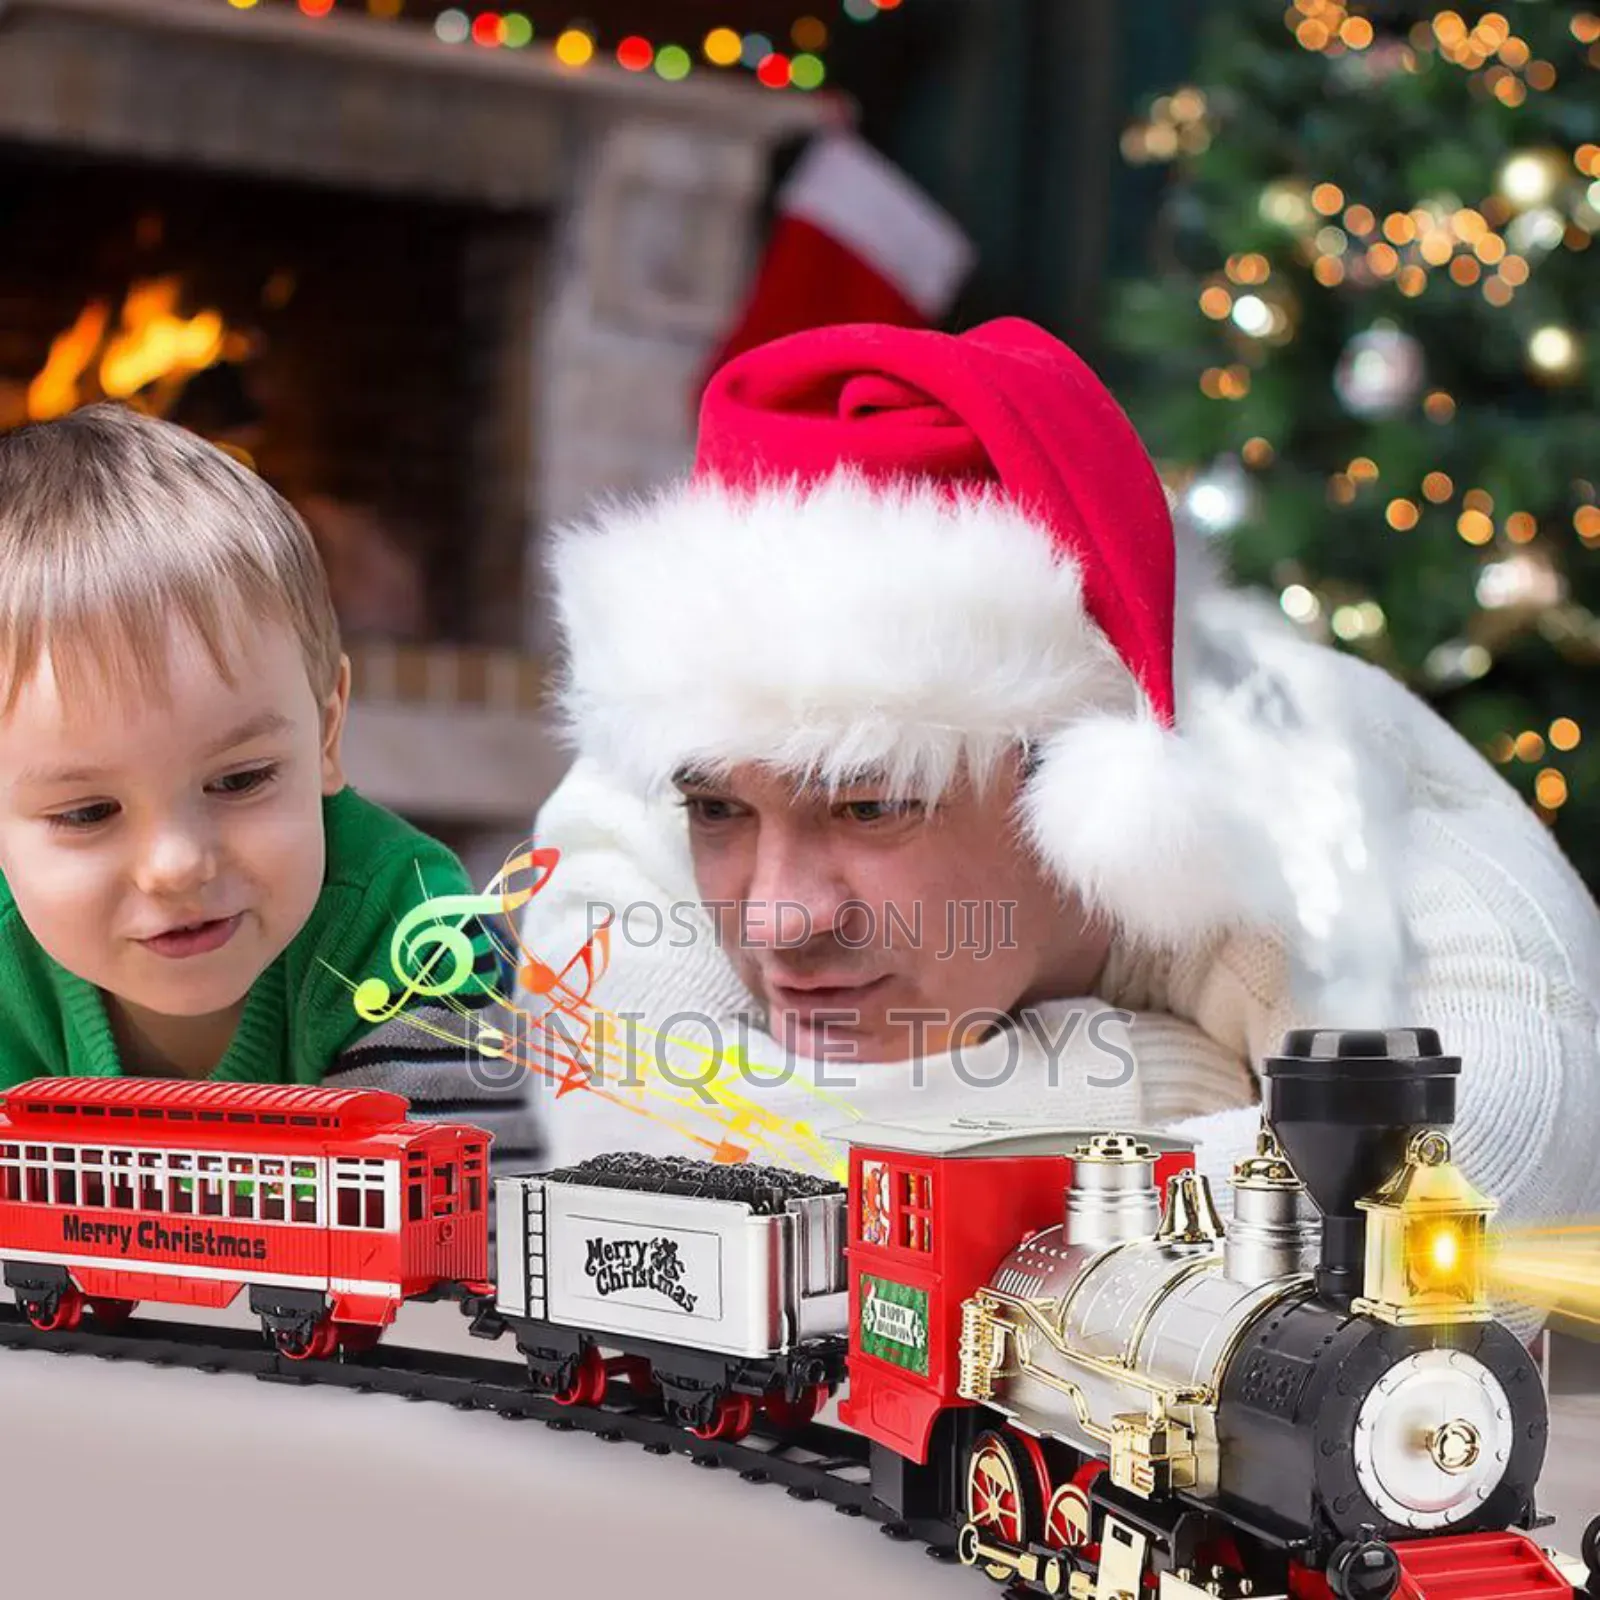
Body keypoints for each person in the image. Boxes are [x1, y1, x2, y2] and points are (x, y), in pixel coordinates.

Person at [516, 317, 1600, 1331]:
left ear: (1075, 759)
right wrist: (1138, 1090)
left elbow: (1466, 1185)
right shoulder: (694, 739)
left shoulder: (1315, 825)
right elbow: (629, 1148)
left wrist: (903, 1142)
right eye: (717, 812)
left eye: (871, 804)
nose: (780, 917)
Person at [0, 404, 541, 1172]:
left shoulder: (410, 934)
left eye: (240, 779)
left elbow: (453, 1246)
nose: (178, 864)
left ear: (325, 734)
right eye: (88, 811)